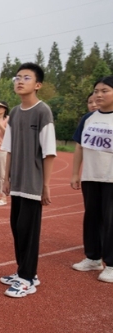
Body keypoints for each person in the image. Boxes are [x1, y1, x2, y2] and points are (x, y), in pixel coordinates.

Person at [0, 63, 56, 298]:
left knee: (28, 230)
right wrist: (6, 177)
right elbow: (9, 148)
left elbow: (49, 152)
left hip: (33, 184)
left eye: (26, 77)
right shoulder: (14, 112)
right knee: (17, 228)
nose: (20, 81)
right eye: (17, 77)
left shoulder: (43, 112)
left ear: (38, 84)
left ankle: (28, 279)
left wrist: (45, 185)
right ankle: (24, 271)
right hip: (18, 183)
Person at [70, 76, 113, 283]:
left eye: (104, 90)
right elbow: (79, 146)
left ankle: (112, 265)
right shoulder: (88, 118)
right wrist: (76, 173)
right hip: (91, 176)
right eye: (96, 91)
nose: (98, 95)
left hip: (111, 178)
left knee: (111, 221)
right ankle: (93, 258)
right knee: (92, 218)